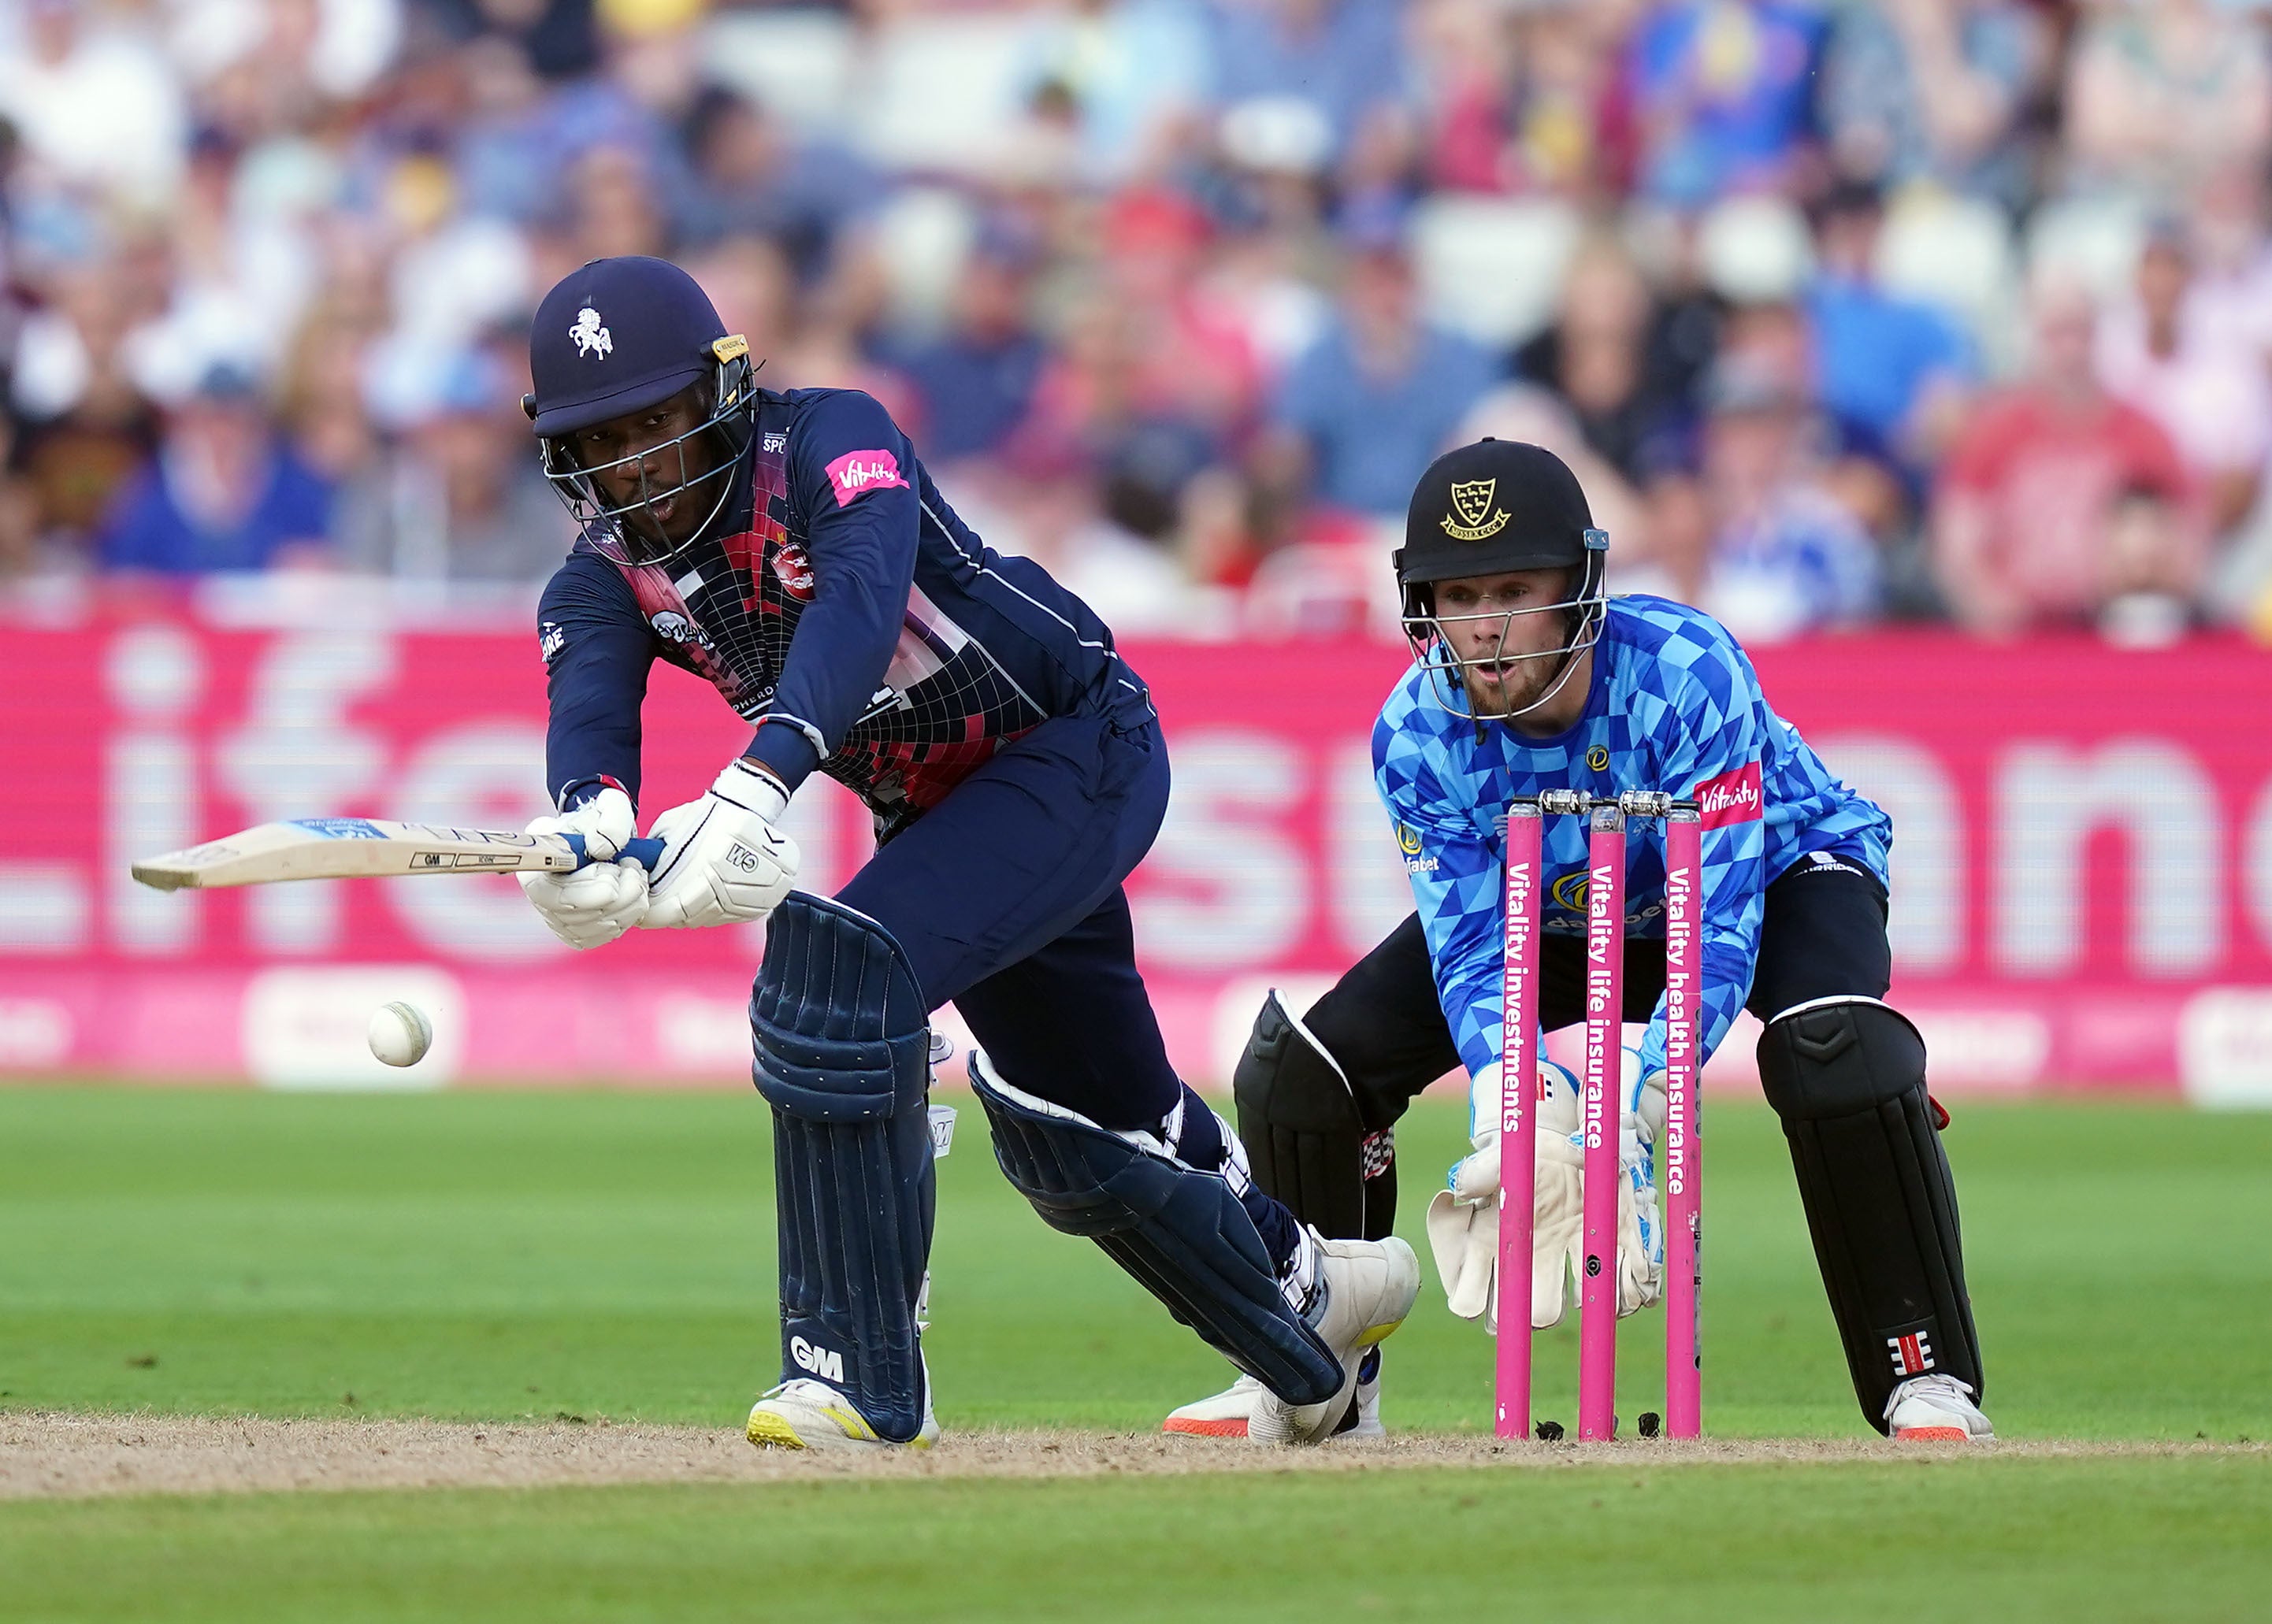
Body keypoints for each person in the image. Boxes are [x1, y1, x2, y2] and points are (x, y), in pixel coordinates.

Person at [514, 255, 1417, 1452]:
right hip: (945, 814)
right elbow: (589, 707)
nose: (634, 467)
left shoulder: (832, 442)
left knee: (841, 973)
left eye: (655, 427)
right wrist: (583, 826)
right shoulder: (603, 576)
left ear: (720, 395)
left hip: (1072, 744)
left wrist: (760, 776)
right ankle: (1316, 1309)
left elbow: (857, 603)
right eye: (602, 442)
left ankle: (860, 1375)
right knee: (1096, 1120)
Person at [1167, 438, 1991, 1444]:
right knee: (1304, 1073)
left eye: (1517, 588)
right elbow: (1471, 945)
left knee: (1834, 1045)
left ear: (1584, 586)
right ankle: (1313, 1375)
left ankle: (1926, 1377)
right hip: (1556, 908)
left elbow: (1719, 921)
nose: (1490, 628)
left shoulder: (1685, 671)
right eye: (1460, 596)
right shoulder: (1417, 735)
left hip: (1775, 874)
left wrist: (1635, 1103)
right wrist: (1512, 1102)